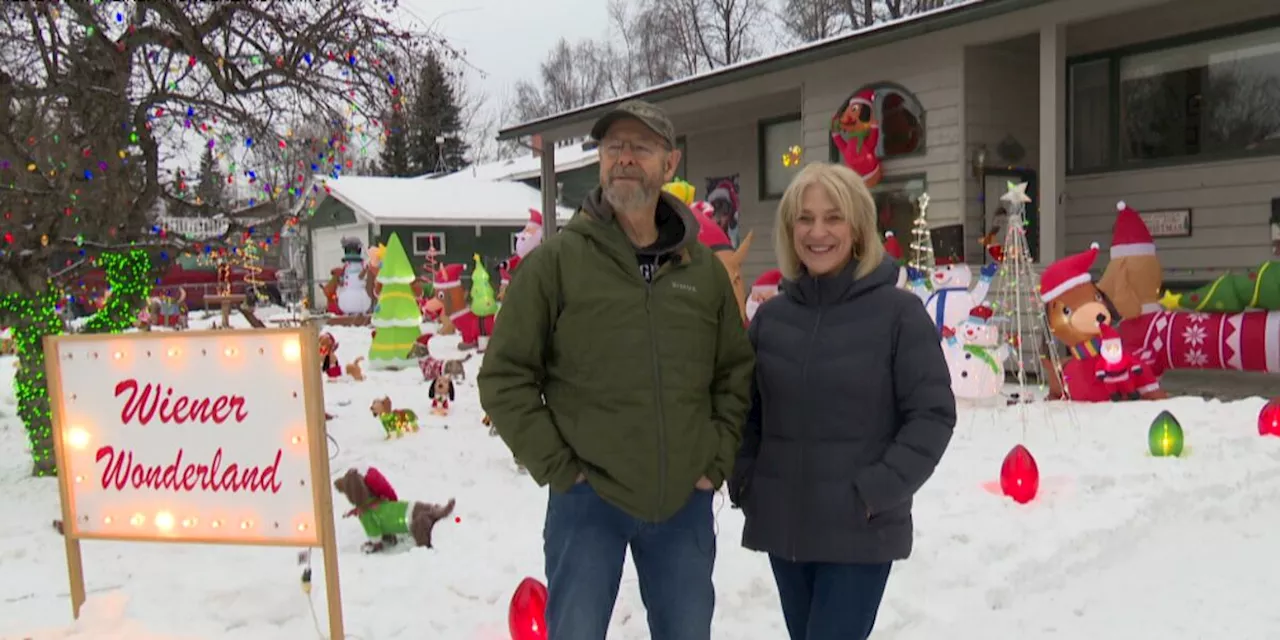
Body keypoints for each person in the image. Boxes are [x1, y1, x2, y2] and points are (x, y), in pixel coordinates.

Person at [477, 99, 755, 640]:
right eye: (613, 148)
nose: (625, 159)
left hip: (682, 502)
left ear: (669, 163)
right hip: (588, 501)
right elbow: (504, 377)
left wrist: (715, 458)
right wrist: (561, 468)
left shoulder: (703, 273)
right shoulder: (555, 265)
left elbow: (733, 373)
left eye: (641, 147)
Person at [728, 162, 956, 640]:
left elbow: (931, 415)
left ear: (858, 229)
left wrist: (876, 492)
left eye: (833, 218)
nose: (818, 232)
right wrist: (747, 479)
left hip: (858, 530)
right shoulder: (772, 321)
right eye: (805, 219)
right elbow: (745, 414)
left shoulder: (899, 315)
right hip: (786, 529)